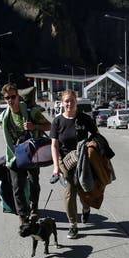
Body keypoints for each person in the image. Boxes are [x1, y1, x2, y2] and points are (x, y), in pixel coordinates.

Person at [0, 83, 51, 226]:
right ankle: (23, 215)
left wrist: (35, 126)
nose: (10, 100)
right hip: (14, 155)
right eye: (7, 97)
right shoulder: (4, 116)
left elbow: (49, 125)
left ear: (18, 96)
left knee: (34, 183)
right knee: (17, 187)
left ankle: (34, 209)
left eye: (13, 97)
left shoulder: (31, 112)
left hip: (31, 154)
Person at [50, 90, 99, 239]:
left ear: (76, 102)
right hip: (65, 162)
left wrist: (90, 148)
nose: (69, 104)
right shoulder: (57, 121)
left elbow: (96, 135)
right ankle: (73, 225)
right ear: (62, 103)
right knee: (69, 192)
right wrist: (56, 166)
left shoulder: (85, 119)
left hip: (83, 161)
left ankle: (85, 207)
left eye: (71, 100)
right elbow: (54, 145)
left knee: (84, 190)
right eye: (66, 101)